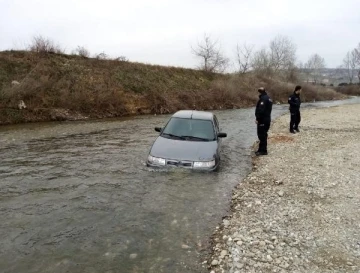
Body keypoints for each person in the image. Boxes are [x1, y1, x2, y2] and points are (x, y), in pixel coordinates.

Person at [255, 87, 273, 156]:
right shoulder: (269, 98)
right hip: (267, 119)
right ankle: (260, 149)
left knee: (261, 135)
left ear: (259, 92)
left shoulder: (263, 99)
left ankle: (263, 150)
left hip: (262, 120)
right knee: (264, 134)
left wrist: (258, 119)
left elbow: (261, 110)